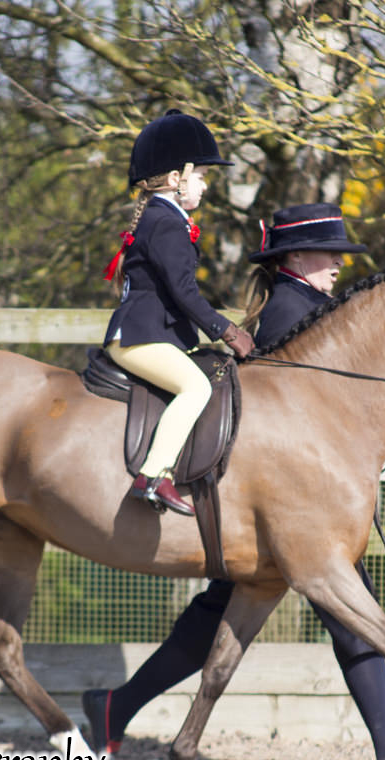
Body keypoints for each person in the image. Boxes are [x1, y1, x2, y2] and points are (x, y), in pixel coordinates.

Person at [85, 203, 385, 760]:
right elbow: (290, 414)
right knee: (348, 615)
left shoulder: (307, 305)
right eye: (329, 254)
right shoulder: (290, 310)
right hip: (278, 502)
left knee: (214, 621)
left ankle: (116, 708)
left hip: (277, 505)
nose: (338, 264)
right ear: (295, 258)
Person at [102, 109, 256, 516]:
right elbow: (184, 292)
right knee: (197, 389)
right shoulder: (166, 222)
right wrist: (227, 330)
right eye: (202, 176)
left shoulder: (160, 217)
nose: (206, 186)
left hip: (146, 333)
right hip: (141, 337)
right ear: (176, 179)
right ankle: (153, 476)